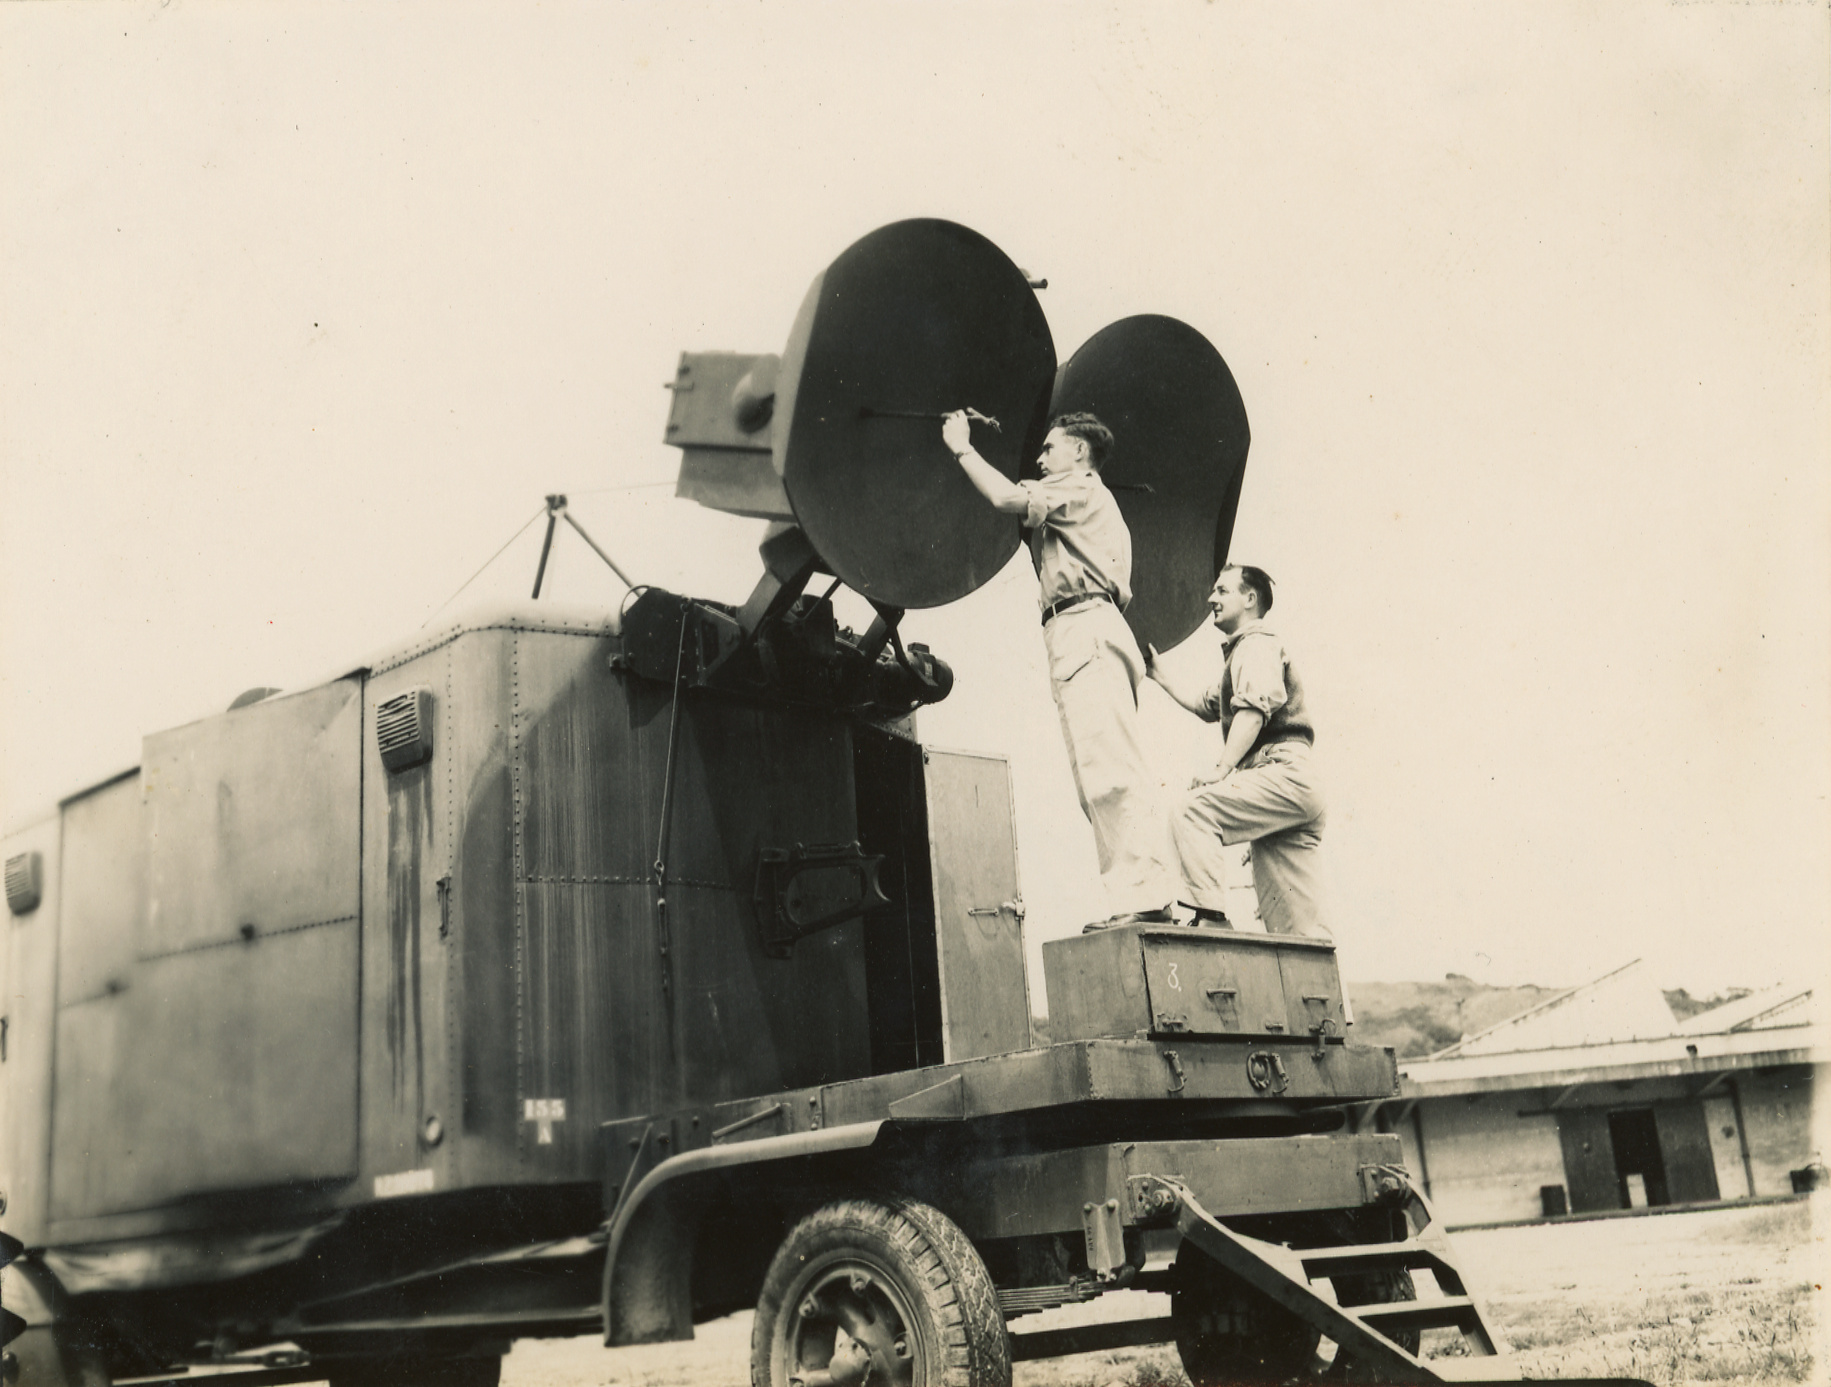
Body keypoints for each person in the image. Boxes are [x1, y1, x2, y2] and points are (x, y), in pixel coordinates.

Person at [943, 409, 1179, 928]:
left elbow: (1009, 499)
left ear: (1079, 451)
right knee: (1098, 778)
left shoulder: (1077, 485)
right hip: (1083, 629)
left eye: (1050, 448)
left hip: (1083, 625)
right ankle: (1137, 896)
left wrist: (961, 446)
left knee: (1110, 773)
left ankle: (1146, 899)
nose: (1041, 457)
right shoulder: (1087, 498)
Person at [1148, 564, 1329, 938]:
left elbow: (1252, 709)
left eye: (1222, 591)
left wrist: (1223, 767)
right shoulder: (1244, 654)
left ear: (1250, 599)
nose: (1211, 599)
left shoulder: (1256, 644)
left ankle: (1212, 918)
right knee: (1297, 930)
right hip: (1294, 784)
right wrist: (1159, 674)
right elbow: (1206, 705)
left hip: (1280, 772)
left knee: (1193, 811)